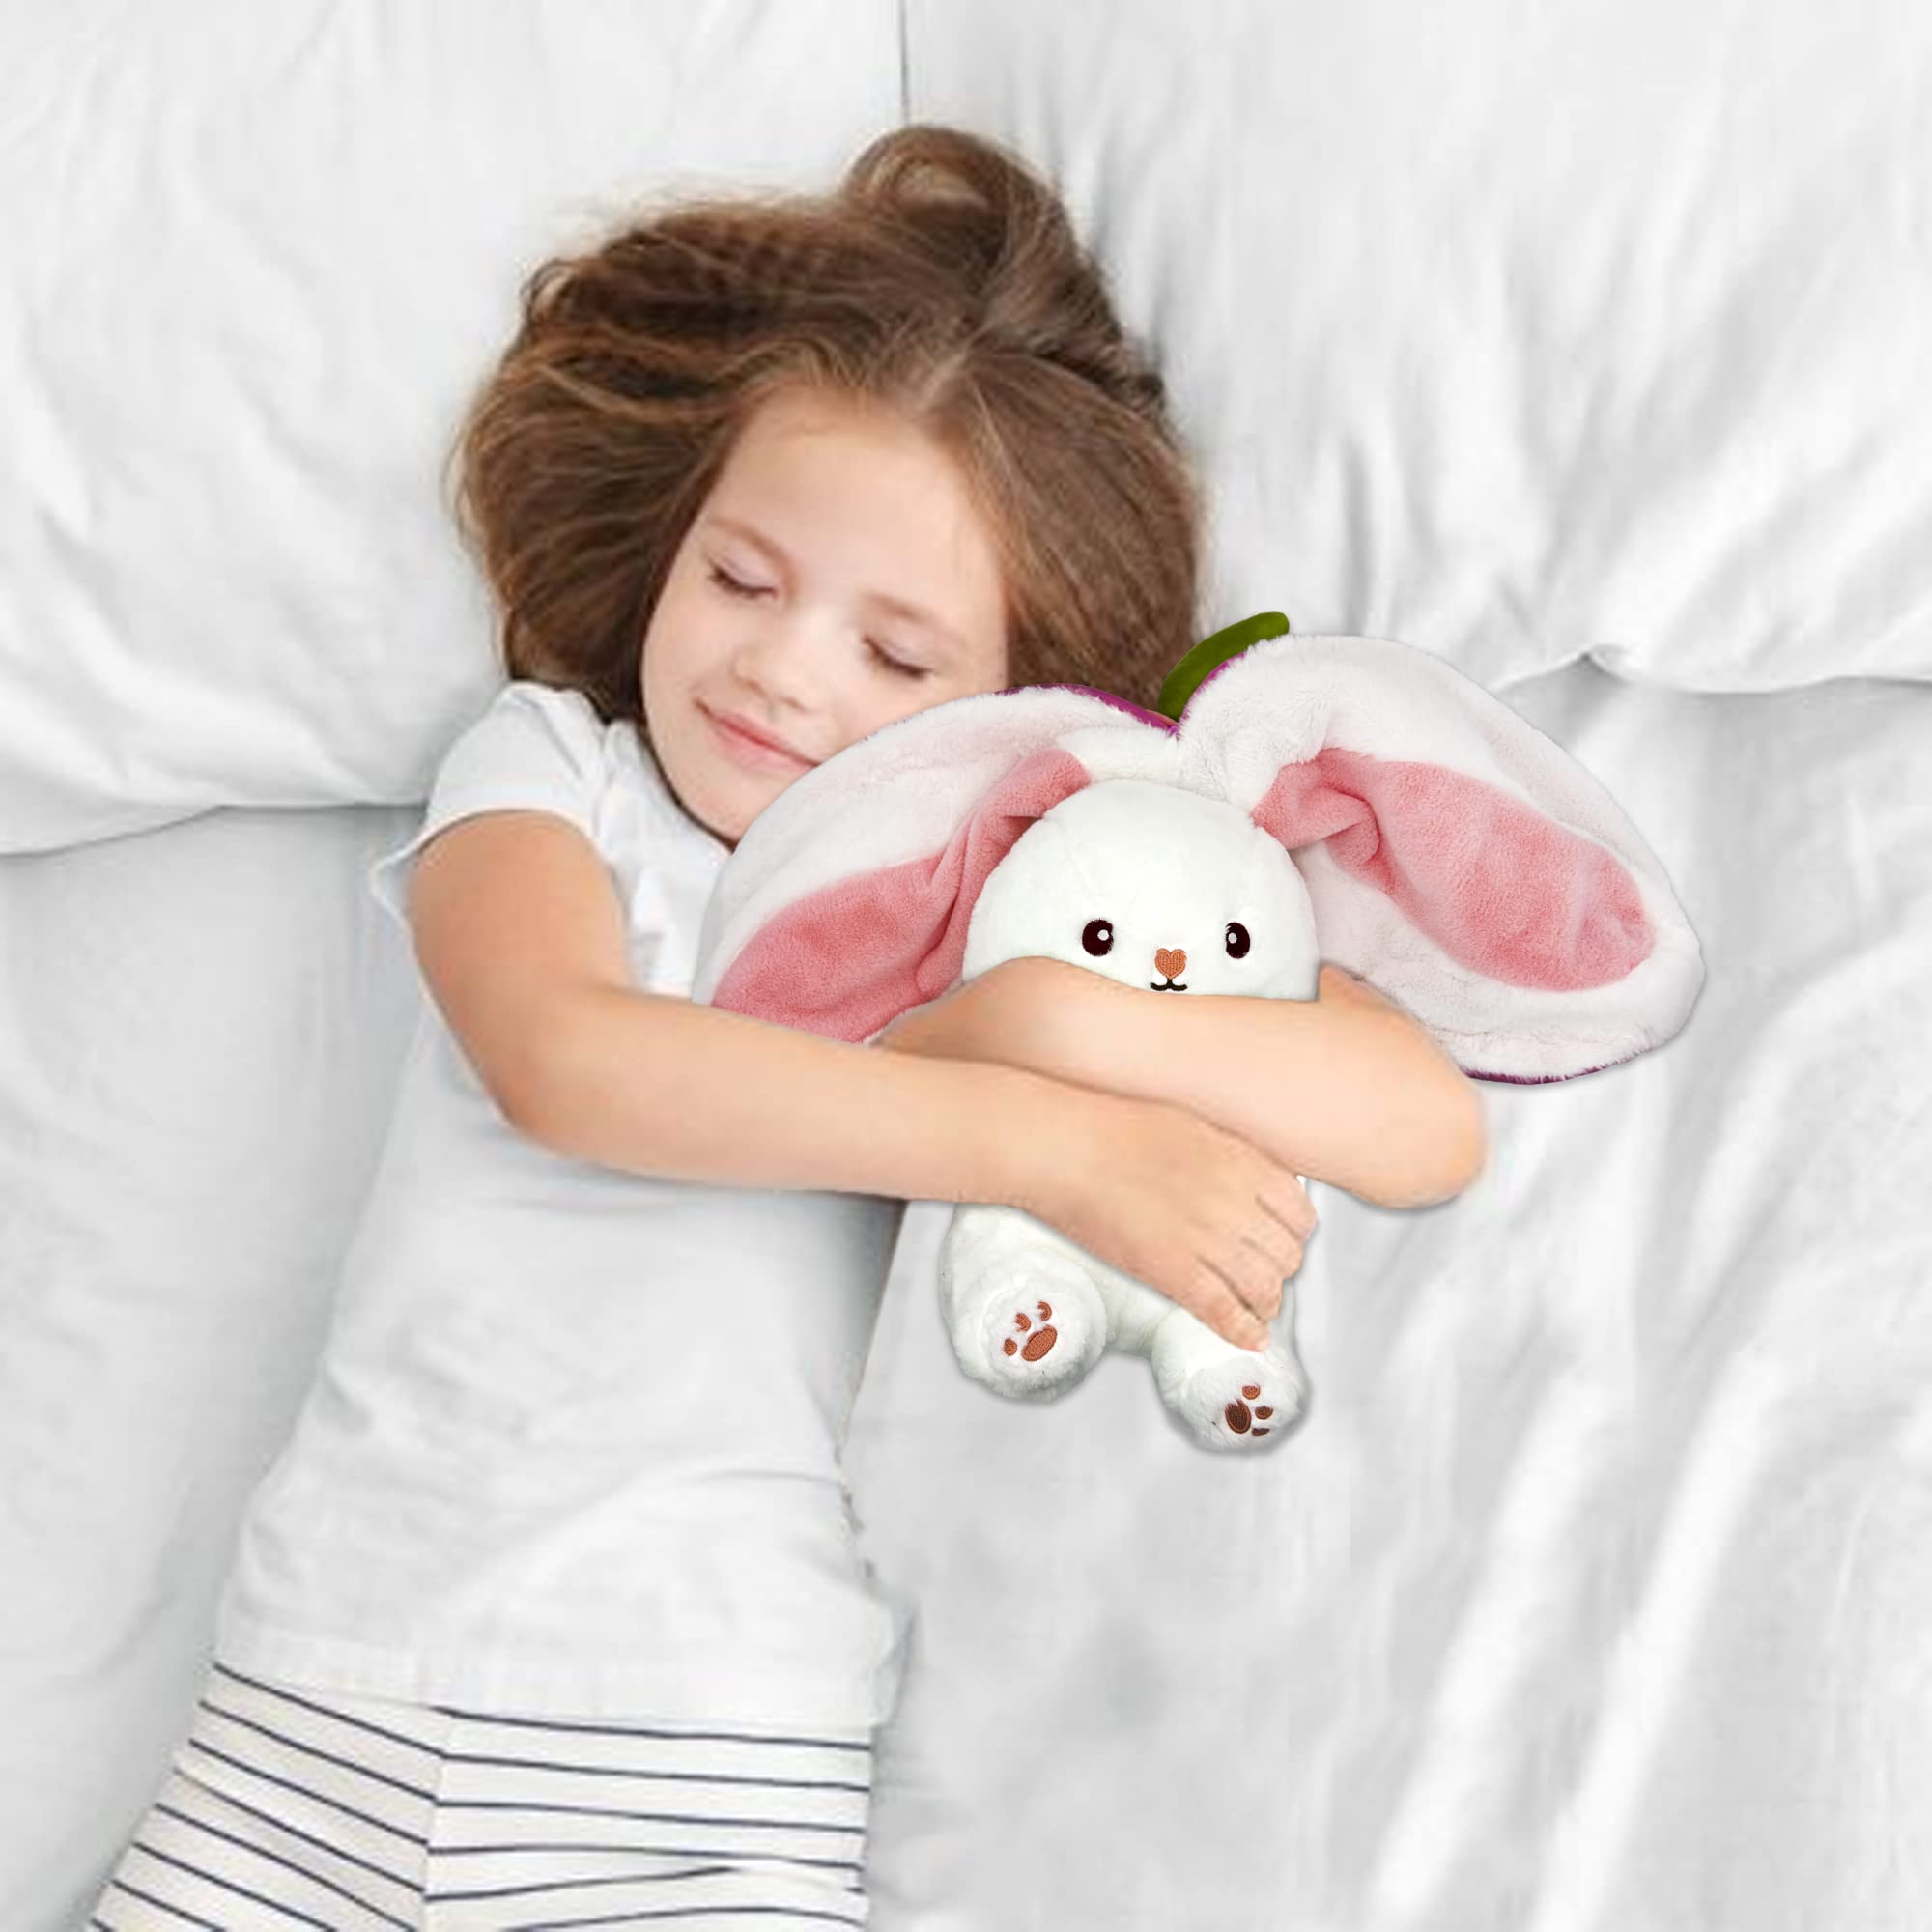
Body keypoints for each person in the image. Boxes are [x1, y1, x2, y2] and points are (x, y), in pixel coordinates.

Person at [88, 125, 1482, 1930]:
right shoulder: (553, 774)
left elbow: (1417, 1118)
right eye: (741, 580)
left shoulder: (988, 917)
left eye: (897, 657)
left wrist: (1058, 1016)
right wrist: (1047, 1137)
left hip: (707, 1744)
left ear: (1015, 702)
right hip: (332, 1686)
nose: (780, 667)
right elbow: (567, 1063)